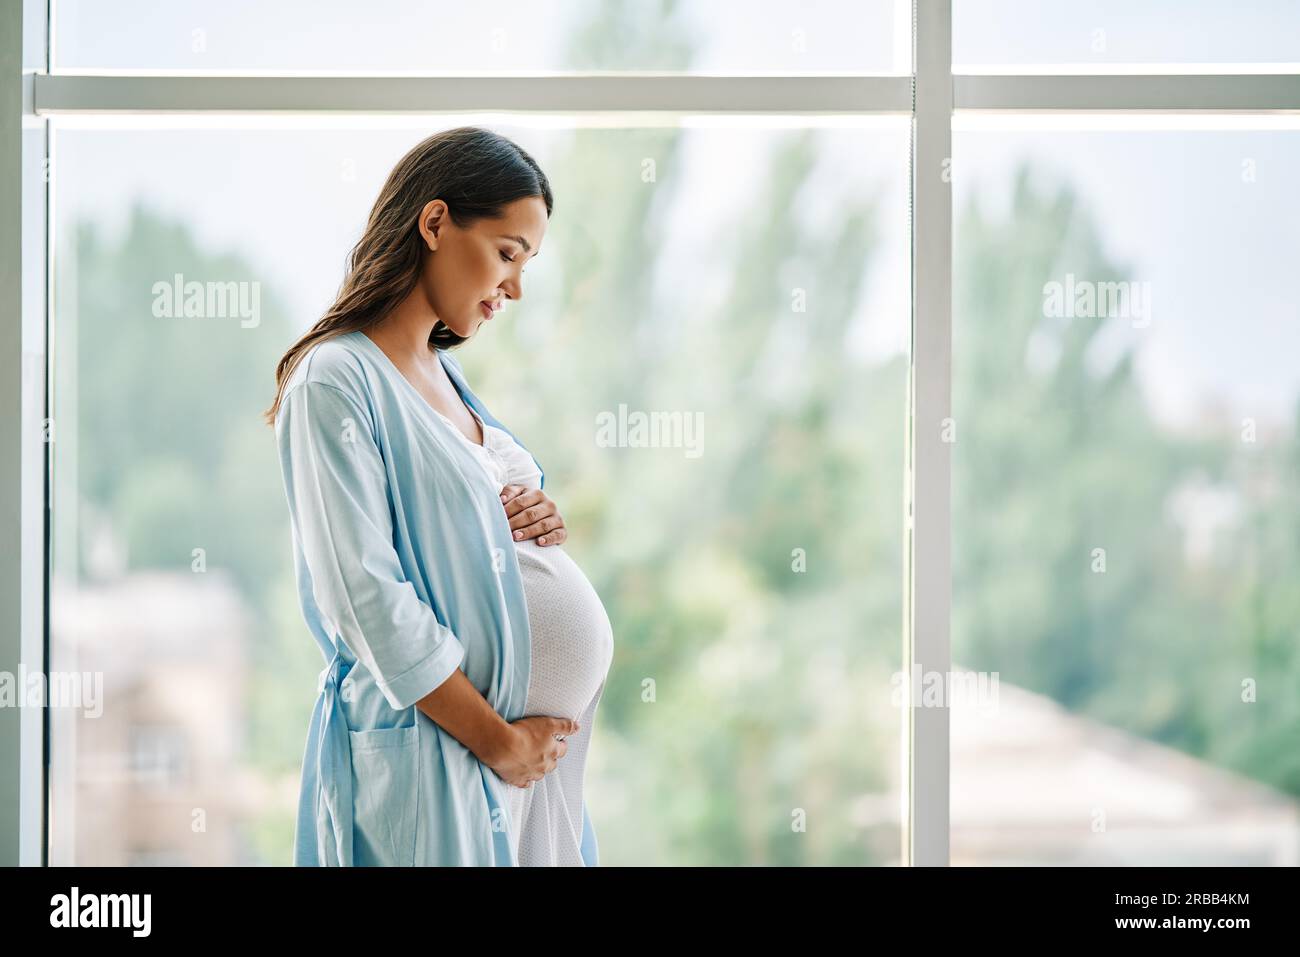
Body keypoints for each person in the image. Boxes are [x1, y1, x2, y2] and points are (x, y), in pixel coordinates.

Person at [264, 126, 613, 866]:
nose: (515, 286)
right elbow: (366, 598)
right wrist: (501, 740)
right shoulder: (335, 380)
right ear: (434, 223)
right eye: (507, 253)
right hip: (451, 756)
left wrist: (536, 509)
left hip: (521, 774)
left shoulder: (441, 373)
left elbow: (485, 513)